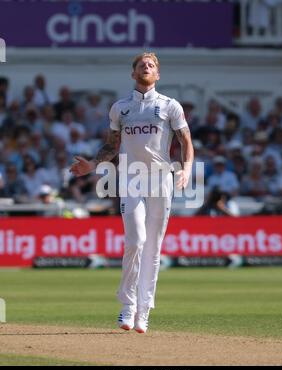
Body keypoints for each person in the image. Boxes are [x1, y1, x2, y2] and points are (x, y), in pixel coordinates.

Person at [70, 52, 194, 333]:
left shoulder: (169, 106)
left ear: (158, 74)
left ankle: (144, 310)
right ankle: (127, 305)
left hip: (162, 178)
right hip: (131, 177)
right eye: (141, 65)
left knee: (153, 248)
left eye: (151, 65)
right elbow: (112, 145)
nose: (146, 68)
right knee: (136, 239)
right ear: (133, 73)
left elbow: (186, 140)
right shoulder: (120, 108)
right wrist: (92, 164)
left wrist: (186, 169)